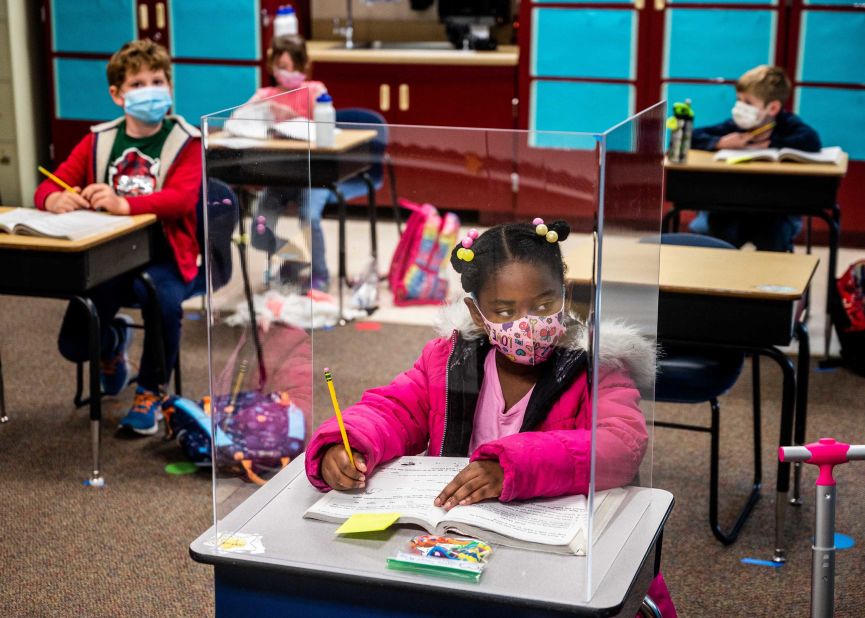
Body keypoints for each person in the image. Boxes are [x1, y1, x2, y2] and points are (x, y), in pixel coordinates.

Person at [305, 219, 654, 504]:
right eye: (504, 311)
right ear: (476, 313)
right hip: (457, 527)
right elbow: (395, 410)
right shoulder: (448, 361)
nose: (527, 323)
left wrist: (512, 467)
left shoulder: (598, 368)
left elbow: (623, 444)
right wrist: (346, 443)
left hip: (550, 532)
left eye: (544, 305)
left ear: (567, 293)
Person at [34, 39, 201, 435]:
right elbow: (50, 184)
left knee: (161, 299)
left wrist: (124, 203)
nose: (150, 90)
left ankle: (149, 392)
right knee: (73, 345)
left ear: (170, 87)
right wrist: (55, 198)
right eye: (138, 84)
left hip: (167, 256)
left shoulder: (186, 140)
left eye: (157, 81)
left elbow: (181, 199)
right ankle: (112, 345)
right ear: (117, 95)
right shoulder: (100, 140)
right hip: (110, 257)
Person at [691, 65, 822, 252]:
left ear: (773, 107)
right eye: (738, 100)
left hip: (775, 211)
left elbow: (811, 140)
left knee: (774, 238)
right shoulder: (735, 126)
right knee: (721, 234)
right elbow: (694, 136)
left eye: (748, 102)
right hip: (732, 208)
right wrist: (719, 142)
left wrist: (770, 143)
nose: (740, 107)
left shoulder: (787, 124)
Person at [243, 35, 332, 291]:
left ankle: (320, 273)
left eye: (294, 66)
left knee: (310, 217)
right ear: (272, 66)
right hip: (277, 176)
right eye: (283, 66)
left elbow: (326, 131)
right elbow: (243, 122)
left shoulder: (315, 91)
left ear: (305, 66)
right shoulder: (265, 95)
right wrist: (259, 113)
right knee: (260, 230)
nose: (289, 73)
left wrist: (293, 117)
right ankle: (296, 258)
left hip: (312, 174)